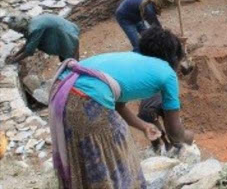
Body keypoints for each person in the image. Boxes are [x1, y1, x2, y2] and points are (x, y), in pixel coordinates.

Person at [49, 26, 194, 188]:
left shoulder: (131, 59)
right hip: (85, 101)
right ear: (173, 58)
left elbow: (118, 105)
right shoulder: (167, 73)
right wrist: (188, 137)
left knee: (87, 156)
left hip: (62, 91)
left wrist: (144, 126)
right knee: (117, 155)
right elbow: (175, 133)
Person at [115, 0, 179, 52]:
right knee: (138, 46)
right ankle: (137, 59)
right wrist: (171, 41)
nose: (162, 9)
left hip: (136, 13)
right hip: (125, 17)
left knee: (148, 40)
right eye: (162, 7)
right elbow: (157, 28)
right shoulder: (148, 8)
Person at [6, 14, 80, 64]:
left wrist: (13, 61)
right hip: (65, 34)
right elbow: (28, 43)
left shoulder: (34, 29)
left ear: (21, 27)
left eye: (18, 30)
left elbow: (29, 51)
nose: (19, 33)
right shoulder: (32, 23)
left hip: (67, 37)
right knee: (66, 60)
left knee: (72, 63)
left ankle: (76, 83)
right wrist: (15, 55)